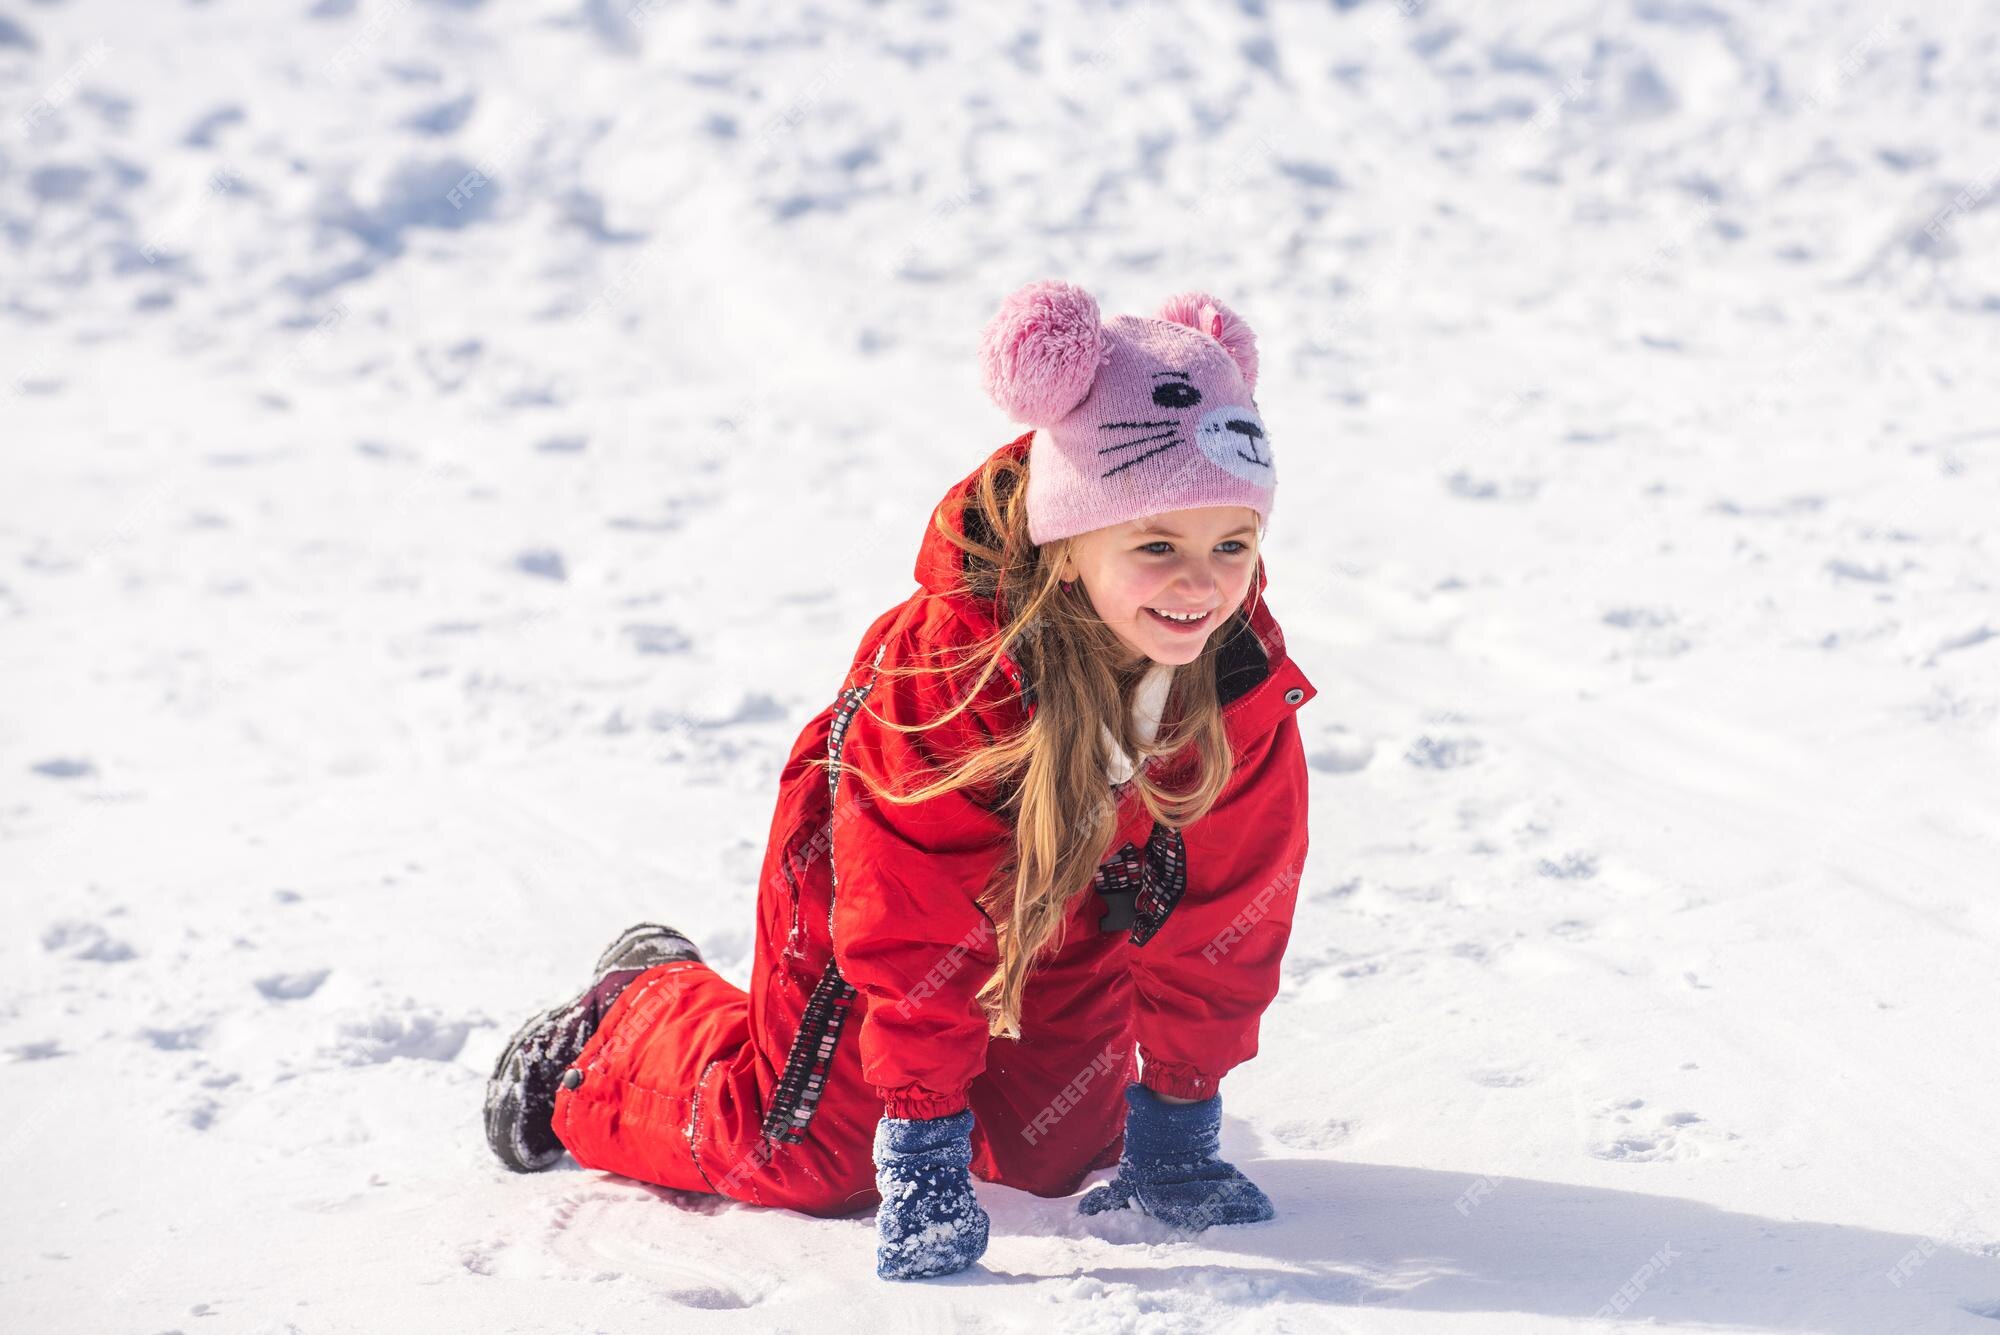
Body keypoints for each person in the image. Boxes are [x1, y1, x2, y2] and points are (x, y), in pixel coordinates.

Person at [484, 278, 1317, 1281]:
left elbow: (1228, 910)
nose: (1202, 583)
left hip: (1076, 892)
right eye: (1155, 546)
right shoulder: (951, 671)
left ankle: (967, 1097)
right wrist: (919, 1144)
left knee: (1052, 1156)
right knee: (807, 1154)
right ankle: (624, 1017)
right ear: (1068, 548)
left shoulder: (1232, 676)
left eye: (1232, 545)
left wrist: (1179, 1119)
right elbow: (912, 915)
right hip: (876, 875)